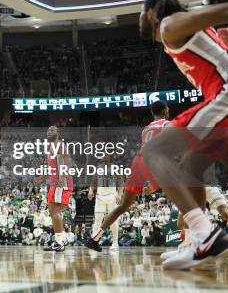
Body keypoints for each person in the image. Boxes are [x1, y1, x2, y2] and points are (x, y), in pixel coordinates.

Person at [139, 0, 228, 269]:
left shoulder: (169, 25)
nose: (138, 19)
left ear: (153, 13)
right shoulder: (185, 30)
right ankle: (198, 241)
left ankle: (205, 233)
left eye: (141, 12)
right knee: (192, 165)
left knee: (154, 151)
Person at [85, 101, 169, 252]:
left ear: (152, 113)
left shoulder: (146, 129)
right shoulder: (167, 124)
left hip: (137, 162)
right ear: (165, 110)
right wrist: (155, 183)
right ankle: (193, 239)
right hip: (152, 162)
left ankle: (94, 239)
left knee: (123, 206)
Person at [37, 126, 73, 252]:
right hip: (55, 182)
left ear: (58, 133)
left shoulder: (60, 145)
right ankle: (61, 239)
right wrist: (43, 177)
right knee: (53, 211)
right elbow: (54, 168)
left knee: (55, 211)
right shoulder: (51, 147)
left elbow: (68, 161)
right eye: (47, 130)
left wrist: (62, 177)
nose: (49, 132)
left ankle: (60, 242)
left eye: (52, 130)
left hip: (61, 182)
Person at [87, 153, 122, 251]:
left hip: (112, 197)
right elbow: (93, 182)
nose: (105, 157)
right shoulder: (98, 168)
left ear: (110, 157)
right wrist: (90, 190)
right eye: (104, 156)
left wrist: (119, 195)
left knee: (113, 220)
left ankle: (115, 242)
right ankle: (94, 242)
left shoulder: (115, 168)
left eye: (107, 155)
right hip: (99, 197)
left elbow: (121, 182)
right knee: (98, 219)